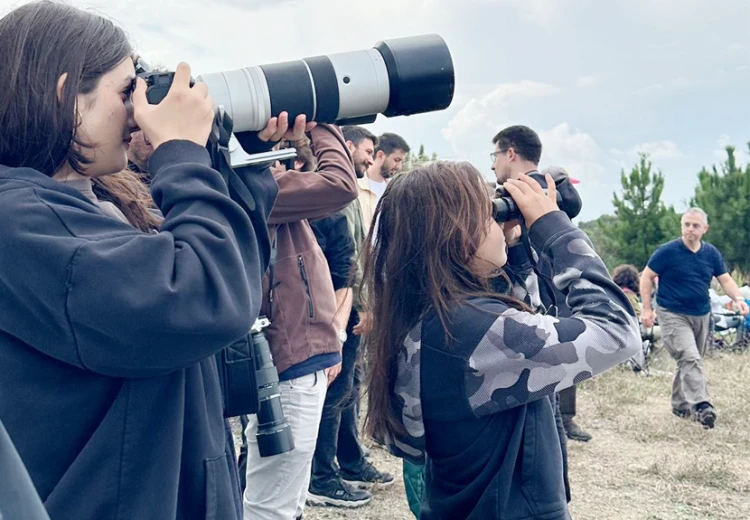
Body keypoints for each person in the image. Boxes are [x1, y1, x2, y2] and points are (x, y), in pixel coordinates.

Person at [0, 3, 289, 518]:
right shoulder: (20, 220)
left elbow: (229, 277)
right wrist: (180, 150)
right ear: (66, 95)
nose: (140, 109)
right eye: (127, 91)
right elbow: (198, 299)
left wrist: (228, 155)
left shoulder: (97, 200)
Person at [361, 161, 641, 519]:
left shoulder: (430, 317)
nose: (500, 222)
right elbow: (617, 331)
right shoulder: (475, 332)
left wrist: (519, 249)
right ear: (456, 235)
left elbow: (530, 318)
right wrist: (555, 230)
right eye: (489, 213)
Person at [241, 120, 359, 520]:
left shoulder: (256, 183)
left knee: (285, 492)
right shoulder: (255, 185)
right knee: (271, 500)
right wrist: (324, 123)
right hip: (290, 361)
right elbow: (341, 184)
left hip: (295, 355)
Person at [308, 126, 393, 509]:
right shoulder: (333, 194)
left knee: (347, 392)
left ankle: (350, 462)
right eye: (367, 150)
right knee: (335, 394)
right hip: (340, 310)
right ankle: (322, 477)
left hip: (353, 305)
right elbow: (341, 263)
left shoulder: (351, 196)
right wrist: (356, 307)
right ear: (345, 147)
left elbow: (361, 256)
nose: (371, 158)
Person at [492, 125, 591, 444]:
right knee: (560, 348)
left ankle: (555, 422)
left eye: (494, 155)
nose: (492, 164)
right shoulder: (552, 189)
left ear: (510, 152)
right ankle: (562, 420)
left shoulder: (515, 193)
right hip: (559, 283)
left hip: (526, 290)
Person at [640, 207, 750, 428]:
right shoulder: (667, 251)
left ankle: (680, 405)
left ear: (705, 229)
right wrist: (646, 309)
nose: (690, 229)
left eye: (695, 225)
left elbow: (725, 280)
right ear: (682, 226)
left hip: (701, 313)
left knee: (689, 360)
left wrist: (738, 298)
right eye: (686, 224)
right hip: (671, 312)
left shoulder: (711, 254)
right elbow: (647, 276)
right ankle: (702, 406)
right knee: (690, 357)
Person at [358, 132, 410, 234]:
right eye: (396, 160)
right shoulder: (355, 186)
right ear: (380, 155)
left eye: (401, 162)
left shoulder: (396, 190)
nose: (399, 167)